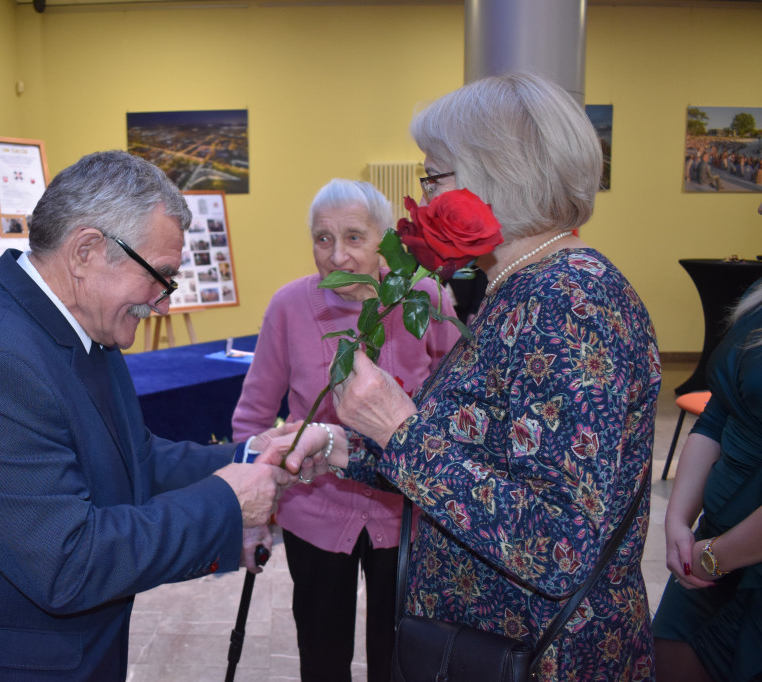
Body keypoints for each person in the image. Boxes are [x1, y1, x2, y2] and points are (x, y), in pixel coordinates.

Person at [0, 150, 296, 680]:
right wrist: (227, 502)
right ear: (87, 250)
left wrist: (252, 456)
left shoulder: (79, 326)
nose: (164, 304)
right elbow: (67, 562)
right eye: (161, 277)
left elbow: (135, 460)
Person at [267, 73, 660, 680]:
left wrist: (399, 427)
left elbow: (558, 545)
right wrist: (342, 446)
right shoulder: (523, 287)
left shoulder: (570, 302)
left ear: (493, 175)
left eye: (434, 177)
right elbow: (471, 449)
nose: (422, 203)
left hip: (541, 656)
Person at [231, 178, 460, 682]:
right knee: (322, 656)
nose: (337, 256)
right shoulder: (289, 307)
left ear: (386, 240)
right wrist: (251, 514)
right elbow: (252, 418)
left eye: (354, 237)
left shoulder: (424, 298)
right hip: (313, 510)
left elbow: (458, 408)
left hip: (406, 515)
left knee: (398, 657)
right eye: (322, 238)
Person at [653, 259, 762, 679]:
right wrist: (678, 520)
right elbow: (719, 413)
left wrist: (717, 557)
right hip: (712, 549)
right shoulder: (757, 292)